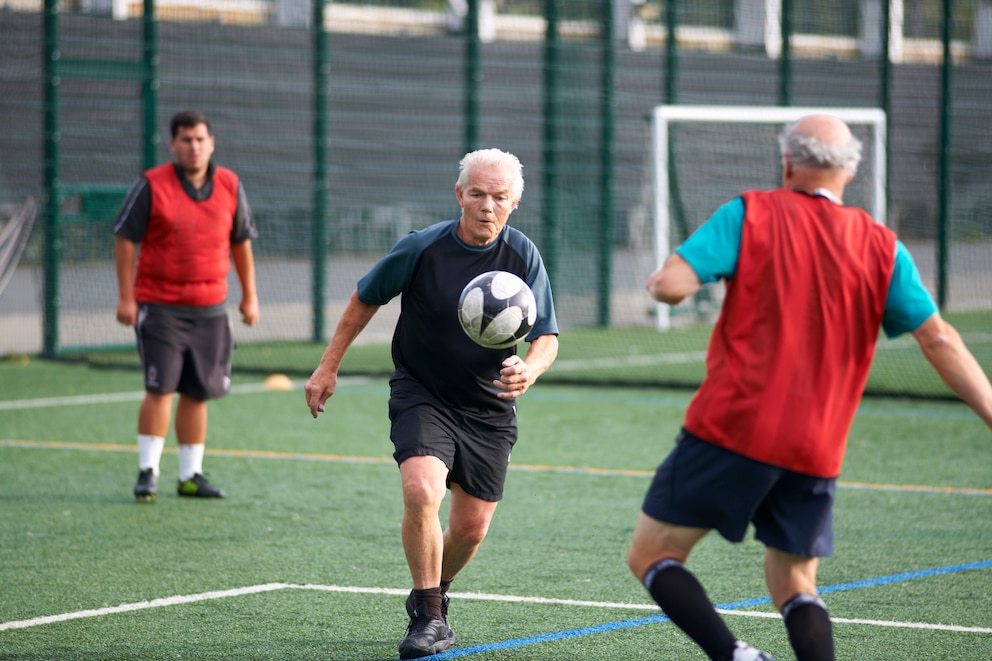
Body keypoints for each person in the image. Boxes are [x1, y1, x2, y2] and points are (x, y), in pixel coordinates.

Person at [626, 114, 992, 661]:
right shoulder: (882, 245)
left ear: (788, 161)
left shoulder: (751, 213)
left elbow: (670, 287)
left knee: (653, 553)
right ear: (850, 171)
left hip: (734, 425)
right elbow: (939, 340)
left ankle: (735, 656)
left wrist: (678, 282)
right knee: (794, 583)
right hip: (818, 444)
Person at [304, 148, 559, 659]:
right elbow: (365, 298)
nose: (488, 205)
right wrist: (328, 365)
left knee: (470, 528)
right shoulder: (422, 248)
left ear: (515, 203)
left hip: (488, 406)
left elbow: (547, 336)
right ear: (459, 194)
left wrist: (529, 369)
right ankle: (430, 616)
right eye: (479, 193)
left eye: (500, 197)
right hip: (423, 391)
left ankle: (431, 594)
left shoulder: (523, 255)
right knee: (422, 492)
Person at [113, 109, 260, 502]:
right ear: (173, 144)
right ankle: (148, 472)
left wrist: (249, 295)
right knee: (160, 388)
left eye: (199, 139)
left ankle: (190, 475)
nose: (193, 147)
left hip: (211, 308)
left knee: (198, 391)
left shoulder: (230, 184)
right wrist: (127, 296)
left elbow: (240, 240)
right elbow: (125, 237)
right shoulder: (151, 185)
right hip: (160, 308)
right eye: (185, 139)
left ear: (211, 143)